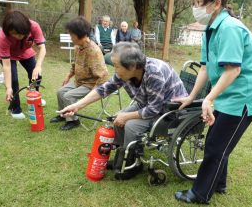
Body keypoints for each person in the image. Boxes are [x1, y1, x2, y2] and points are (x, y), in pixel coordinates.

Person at [172, 0, 252, 204]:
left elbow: (233, 70)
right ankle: (219, 183)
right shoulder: (210, 29)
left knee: (216, 145)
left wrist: (210, 98)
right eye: (193, 3)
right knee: (218, 141)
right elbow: (204, 68)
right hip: (226, 92)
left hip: (242, 95)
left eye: (198, 3)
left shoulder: (230, 28)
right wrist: (193, 96)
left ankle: (200, 193)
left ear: (216, 4)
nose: (195, 8)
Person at [59, 42, 188, 179]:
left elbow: (153, 109)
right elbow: (104, 89)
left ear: (132, 66)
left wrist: (126, 117)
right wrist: (77, 105)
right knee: (116, 119)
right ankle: (123, 158)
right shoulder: (126, 72)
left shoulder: (154, 73)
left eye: (116, 66)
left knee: (130, 125)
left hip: (170, 112)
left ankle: (133, 165)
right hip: (149, 104)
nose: (115, 70)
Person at [50, 16, 109, 131]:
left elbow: (103, 75)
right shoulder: (78, 46)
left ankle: (73, 120)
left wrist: (94, 92)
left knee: (68, 96)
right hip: (79, 81)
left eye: (72, 35)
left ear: (81, 34)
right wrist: (68, 76)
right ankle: (64, 114)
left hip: (91, 84)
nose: (70, 37)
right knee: (60, 91)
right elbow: (75, 64)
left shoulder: (94, 51)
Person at [0, 10, 46, 119]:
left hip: (24, 50)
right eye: (14, 34)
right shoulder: (3, 37)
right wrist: (8, 87)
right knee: (13, 81)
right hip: (9, 54)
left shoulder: (34, 26)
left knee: (36, 74)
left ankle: (34, 97)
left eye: (20, 34)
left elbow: (42, 48)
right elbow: (7, 66)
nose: (18, 36)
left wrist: (38, 66)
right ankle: (15, 108)